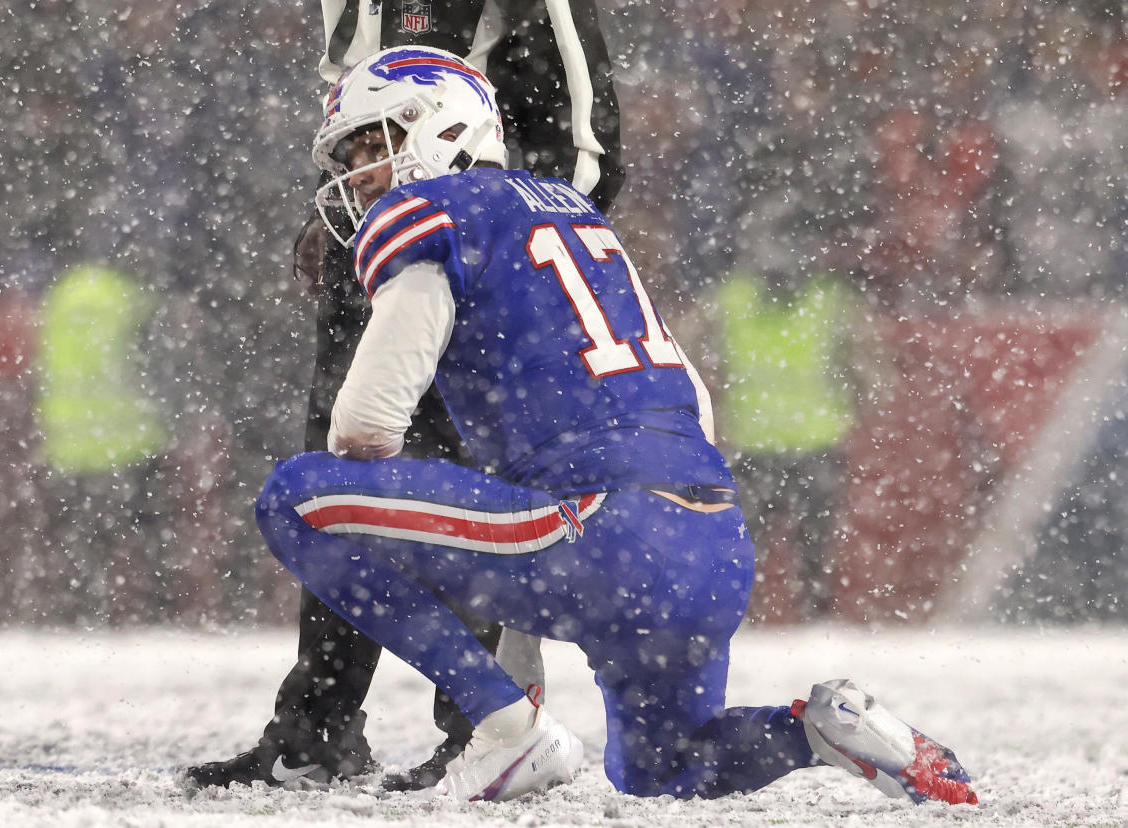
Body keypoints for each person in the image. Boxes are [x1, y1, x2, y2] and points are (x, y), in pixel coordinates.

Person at [251, 46, 979, 804]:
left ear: (441, 129)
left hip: (600, 531)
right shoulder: (572, 213)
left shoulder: (432, 215)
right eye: (354, 153)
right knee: (666, 767)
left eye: (377, 143)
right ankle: (818, 729)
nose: (360, 172)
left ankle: (500, 727)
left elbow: (366, 427)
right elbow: (694, 402)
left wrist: (449, 534)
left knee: (298, 496)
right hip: (712, 542)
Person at [185, 0, 624, 792]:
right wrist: (347, 203)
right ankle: (315, 730)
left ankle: (487, 729)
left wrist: (501, 247)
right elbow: (359, 111)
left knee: (478, 502)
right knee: (343, 480)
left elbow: (590, 146)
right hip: (386, 241)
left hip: (485, 261)